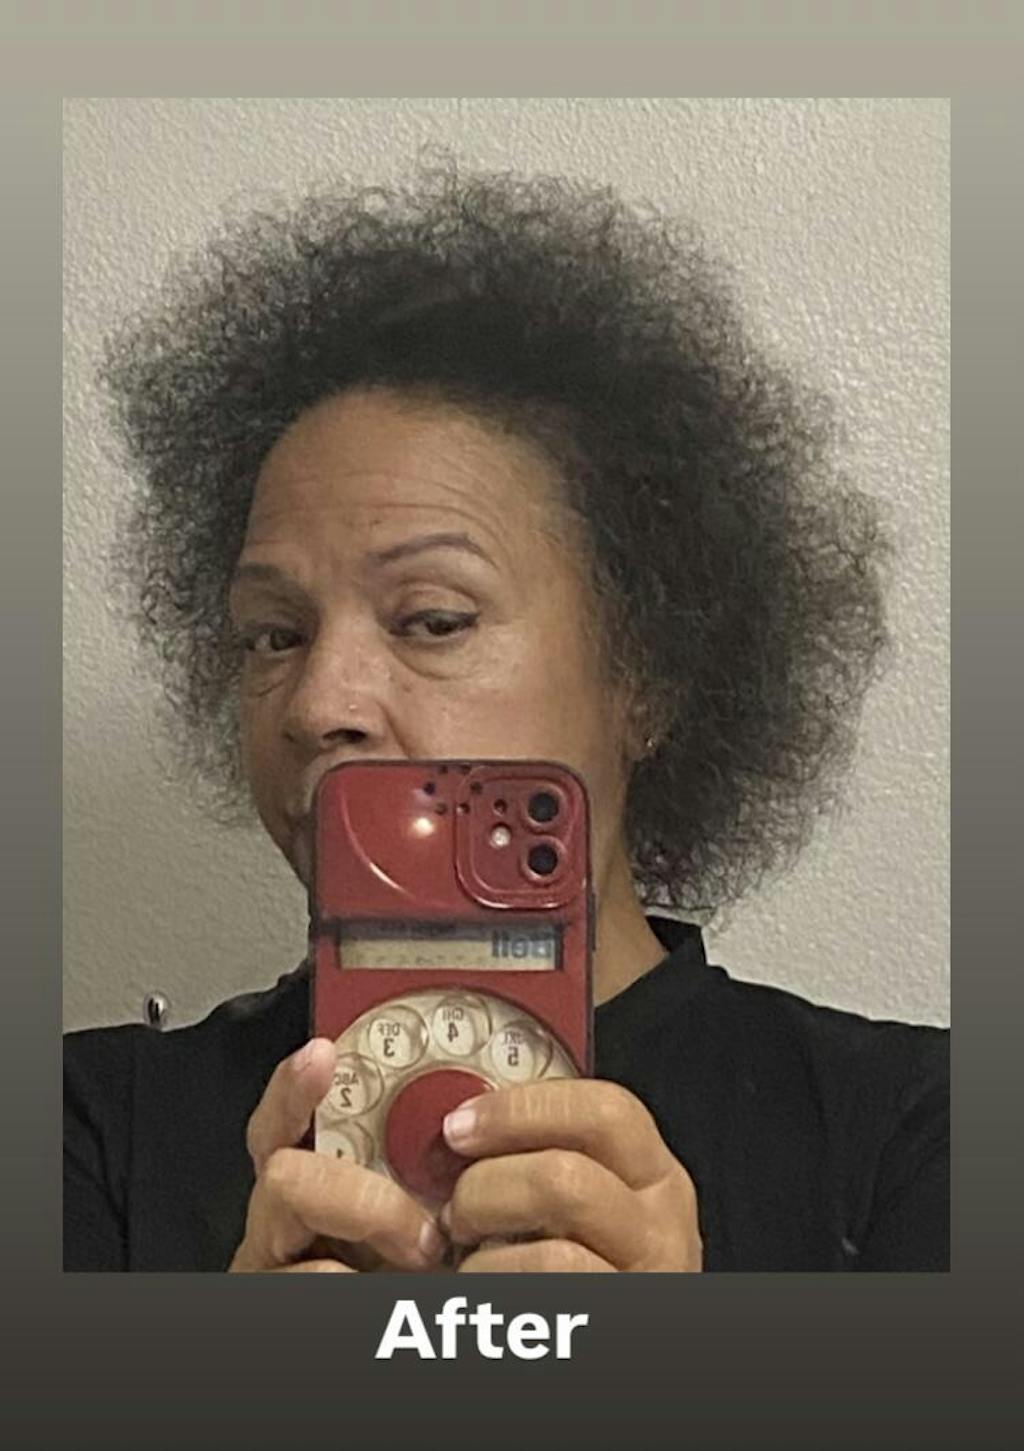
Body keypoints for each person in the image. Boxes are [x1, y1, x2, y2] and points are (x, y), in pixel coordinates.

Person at [63, 159, 948, 1272]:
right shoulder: (89, 1129)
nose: (319, 703)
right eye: (273, 634)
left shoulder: (917, 1134)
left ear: (647, 675)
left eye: (432, 618)